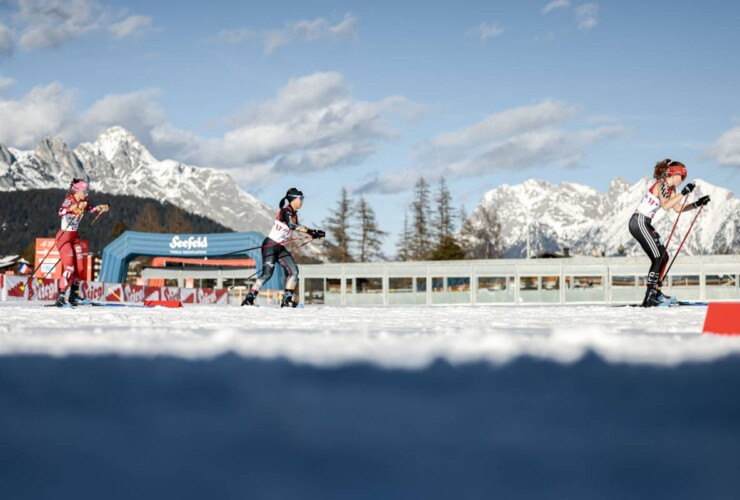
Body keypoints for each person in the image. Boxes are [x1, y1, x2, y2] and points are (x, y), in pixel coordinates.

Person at [628, 159, 710, 307]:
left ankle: (656, 292)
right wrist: (684, 192)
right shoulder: (662, 184)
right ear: (674, 174)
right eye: (682, 176)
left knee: (664, 257)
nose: (683, 179)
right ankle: (650, 295)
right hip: (639, 221)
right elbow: (666, 205)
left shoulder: (672, 190)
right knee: (657, 256)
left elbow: (678, 208)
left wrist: (697, 203)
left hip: (645, 223)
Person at [241, 188, 325, 308]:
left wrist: (313, 233)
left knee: (294, 271)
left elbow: (296, 226)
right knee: (267, 275)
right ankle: (249, 298)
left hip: (280, 247)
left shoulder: (294, 214)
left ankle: (287, 300)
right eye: (300, 199)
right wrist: (312, 231)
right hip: (270, 245)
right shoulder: (286, 211)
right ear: (293, 199)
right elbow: (292, 225)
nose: (302, 201)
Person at [54, 179, 110, 307]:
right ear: (78, 191)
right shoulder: (70, 199)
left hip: (75, 237)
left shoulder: (84, 201)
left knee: (80, 268)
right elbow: (61, 211)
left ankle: (74, 296)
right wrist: (75, 207)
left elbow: (90, 209)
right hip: (64, 237)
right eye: (85, 191)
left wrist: (100, 207)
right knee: (69, 267)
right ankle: (61, 296)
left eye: (88, 191)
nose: (87, 194)